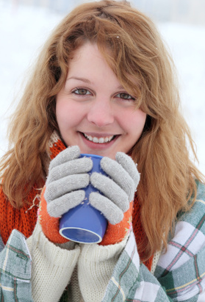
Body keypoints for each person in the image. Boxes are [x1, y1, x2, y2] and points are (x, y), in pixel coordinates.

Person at [0, 0, 205, 301]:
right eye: (82, 91)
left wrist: (111, 267)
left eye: (125, 95)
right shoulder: (10, 196)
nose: (100, 117)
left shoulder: (187, 212)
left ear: (152, 110)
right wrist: (46, 255)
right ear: (52, 97)